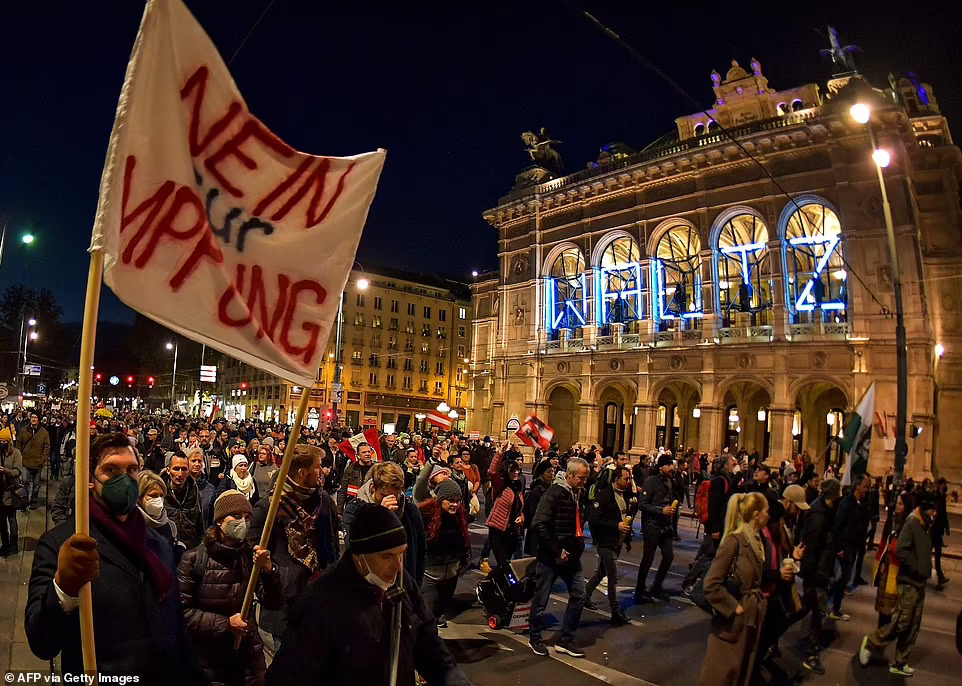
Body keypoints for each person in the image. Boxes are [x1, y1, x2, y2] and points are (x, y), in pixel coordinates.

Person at [25, 433, 204, 683]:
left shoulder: (158, 544)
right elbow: (41, 642)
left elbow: (177, 629)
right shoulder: (62, 544)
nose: (124, 478)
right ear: (90, 480)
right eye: (111, 469)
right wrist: (63, 588)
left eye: (131, 470)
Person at [267, 503, 471, 686]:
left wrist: (454, 679)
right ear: (359, 556)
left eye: (402, 553)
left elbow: (429, 646)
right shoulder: (321, 603)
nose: (398, 566)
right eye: (387, 556)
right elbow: (288, 677)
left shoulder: (401, 583)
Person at [178, 490, 281, 686]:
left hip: (248, 661)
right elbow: (183, 613)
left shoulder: (249, 557)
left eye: (247, 517)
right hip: (209, 663)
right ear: (219, 521)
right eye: (236, 516)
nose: (243, 522)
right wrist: (226, 625)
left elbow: (273, 603)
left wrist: (269, 571)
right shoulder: (193, 560)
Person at [250, 444, 337, 652]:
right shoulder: (269, 508)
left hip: (317, 596)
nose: (322, 471)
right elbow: (253, 555)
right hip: (283, 602)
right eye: (317, 467)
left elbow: (332, 545)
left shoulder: (324, 503)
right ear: (302, 472)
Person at [859, 491, 938, 676]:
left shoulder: (925, 524)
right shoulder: (913, 523)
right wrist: (918, 569)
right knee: (902, 623)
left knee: (913, 625)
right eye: (934, 510)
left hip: (919, 583)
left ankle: (900, 662)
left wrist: (927, 569)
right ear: (926, 509)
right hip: (909, 582)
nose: (936, 514)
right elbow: (902, 550)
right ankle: (871, 641)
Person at [697, 492, 770, 686]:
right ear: (756, 515)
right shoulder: (734, 541)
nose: (768, 516)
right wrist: (734, 608)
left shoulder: (757, 541)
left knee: (740, 674)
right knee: (721, 677)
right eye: (766, 511)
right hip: (732, 625)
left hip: (749, 619)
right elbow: (711, 583)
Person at [528, 457, 590, 658]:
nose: (584, 481)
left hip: (572, 555)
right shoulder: (555, 492)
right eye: (581, 477)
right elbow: (539, 523)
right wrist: (556, 550)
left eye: (586, 477)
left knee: (579, 594)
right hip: (551, 556)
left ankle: (565, 640)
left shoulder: (576, 493)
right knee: (541, 598)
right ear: (569, 475)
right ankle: (535, 638)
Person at [343, 461, 426, 586]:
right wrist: (381, 515)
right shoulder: (355, 510)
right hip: (370, 586)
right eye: (384, 495)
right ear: (373, 488)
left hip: (405, 584)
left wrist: (416, 585)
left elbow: (421, 549)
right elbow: (353, 549)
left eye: (396, 495)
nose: (392, 500)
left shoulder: (410, 510)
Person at [799, 477, 841, 675]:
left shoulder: (825, 511)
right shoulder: (819, 515)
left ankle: (771, 639)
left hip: (820, 570)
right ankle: (812, 655)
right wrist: (810, 573)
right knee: (817, 611)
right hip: (817, 572)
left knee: (806, 608)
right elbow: (813, 546)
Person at [584, 465, 634, 625]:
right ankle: (615, 611)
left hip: (617, 541)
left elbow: (625, 517)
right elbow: (594, 519)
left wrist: (626, 540)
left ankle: (584, 595)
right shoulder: (604, 495)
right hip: (606, 542)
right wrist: (616, 526)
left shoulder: (624, 495)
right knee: (613, 576)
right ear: (617, 479)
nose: (628, 482)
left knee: (600, 572)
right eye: (626, 479)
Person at [419, 479, 471, 627]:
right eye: (450, 500)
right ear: (441, 499)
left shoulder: (460, 517)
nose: (455, 504)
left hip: (451, 575)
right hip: (429, 574)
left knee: (440, 610)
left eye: (457, 501)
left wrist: (463, 560)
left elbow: (463, 542)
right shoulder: (426, 516)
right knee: (427, 615)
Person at [683, 454, 735, 593]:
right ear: (725, 465)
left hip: (719, 525)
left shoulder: (725, 479)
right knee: (709, 555)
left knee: (709, 554)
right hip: (715, 526)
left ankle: (704, 582)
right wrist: (715, 528)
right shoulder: (720, 481)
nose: (733, 465)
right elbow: (714, 506)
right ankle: (689, 582)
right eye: (732, 463)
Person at [635, 454, 678, 602]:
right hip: (652, 525)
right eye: (669, 465)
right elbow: (643, 504)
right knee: (648, 558)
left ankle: (656, 586)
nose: (671, 468)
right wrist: (661, 510)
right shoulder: (651, 481)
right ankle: (639, 591)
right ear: (662, 466)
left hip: (665, 525)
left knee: (669, 555)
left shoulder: (669, 481)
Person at [873, 491, 912, 628]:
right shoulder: (893, 520)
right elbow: (884, 543)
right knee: (883, 608)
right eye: (897, 502)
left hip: (897, 572)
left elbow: (906, 551)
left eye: (900, 504)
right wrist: (883, 561)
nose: (897, 506)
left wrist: (894, 548)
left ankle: (881, 636)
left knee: (889, 609)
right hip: (886, 569)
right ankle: (879, 634)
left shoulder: (908, 525)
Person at [832, 473, 871, 609]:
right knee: (843, 577)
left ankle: (835, 603)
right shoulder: (847, 503)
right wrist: (839, 548)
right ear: (858, 486)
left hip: (853, 546)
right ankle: (834, 604)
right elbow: (838, 526)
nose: (867, 490)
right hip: (845, 546)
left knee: (846, 577)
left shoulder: (861, 504)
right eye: (865, 487)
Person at [485, 446, 525, 574]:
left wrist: (522, 517)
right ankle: (487, 586)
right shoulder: (500, 486)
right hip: (498, 531)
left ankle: (495, 588)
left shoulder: (517, 488)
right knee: (503, 565)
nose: (516, 473)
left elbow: (520, 509)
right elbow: (492, 472)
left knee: (505, 565)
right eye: (513, 470)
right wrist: (500, 453)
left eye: (517, 470)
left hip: (511, 533)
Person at [162, 451, 206, 550]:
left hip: (190, 550)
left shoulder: (194, 491)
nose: (180, 474)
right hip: (166, 550)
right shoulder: (160, 492)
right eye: (176, 469)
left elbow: (200, 526)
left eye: (184, 469)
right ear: (168, 471)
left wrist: (199, 549)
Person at [137, 470, 183, 560]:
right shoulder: (131, 525)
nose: (159, 500)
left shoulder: (170, 526)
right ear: (139, 497)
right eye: (153, 496)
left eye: (161, 495)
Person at [16, 411, 50, 510]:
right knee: (24, 482)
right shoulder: (24, 430)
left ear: (39, 419)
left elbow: (47, 447)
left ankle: (34, 501)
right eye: (32, 417)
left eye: (36, 417)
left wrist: (43, 459)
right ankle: (24, 501)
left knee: (36, 485)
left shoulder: (44, 432)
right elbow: (19, 443)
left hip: (38, 462)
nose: (34, 419)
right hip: (26, 461)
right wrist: (20, 455)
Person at [523, 460, 555, 556]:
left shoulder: (551, 488)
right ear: (542, 473)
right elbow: (533, 512)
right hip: (537, 531)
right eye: (549, 471)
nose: (552, 474)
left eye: (553, 471)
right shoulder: (537, 490)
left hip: (547, 531)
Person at [0, 428, 24, 556]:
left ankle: (13, 544)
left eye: (4, 440)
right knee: (2, 521)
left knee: (12, 519)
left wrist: (6, 471)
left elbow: (18, 471)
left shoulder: (16, 453)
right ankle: (5, 544)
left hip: (11, 491)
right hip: (0, 492)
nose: (2, 443)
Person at [337, 442, 375, 515]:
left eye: (369, 451)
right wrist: (339, 511)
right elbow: (343, 490)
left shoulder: (376, 469)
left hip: (370, 506)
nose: (367, 454)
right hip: (353, 506)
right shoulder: (350, 469)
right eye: (364, 452)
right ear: (358, 456)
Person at [186, 447, 217, 527]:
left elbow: (212, 518)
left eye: (199, 461)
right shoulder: (181, 487)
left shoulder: (210, 489)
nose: (197, 464)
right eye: (193, 461)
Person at [933, 478, 950, 588]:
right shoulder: (935, 496)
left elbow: (944, 513)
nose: (945, 486)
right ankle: (939, 577)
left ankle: (940, 577)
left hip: (938, 530)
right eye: (944, 484)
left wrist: (946, 527)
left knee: (938, 554)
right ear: (940, 484)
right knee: (926, 552)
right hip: (932, 529)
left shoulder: (942, 496)